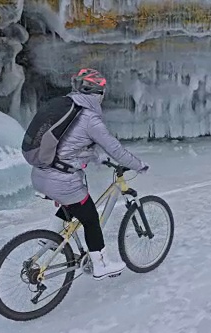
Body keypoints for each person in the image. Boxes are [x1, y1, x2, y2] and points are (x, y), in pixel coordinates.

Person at [31, 68, 148, 280]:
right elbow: (115, 149)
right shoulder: (89, 118)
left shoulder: (69, 108)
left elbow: (70, 145)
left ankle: (48, 241)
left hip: (41, 174)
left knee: (73, 206)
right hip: (61, 180)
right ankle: (101, 265)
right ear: (98, 94)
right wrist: (138, 165)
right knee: (91, 218)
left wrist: (97, 158)